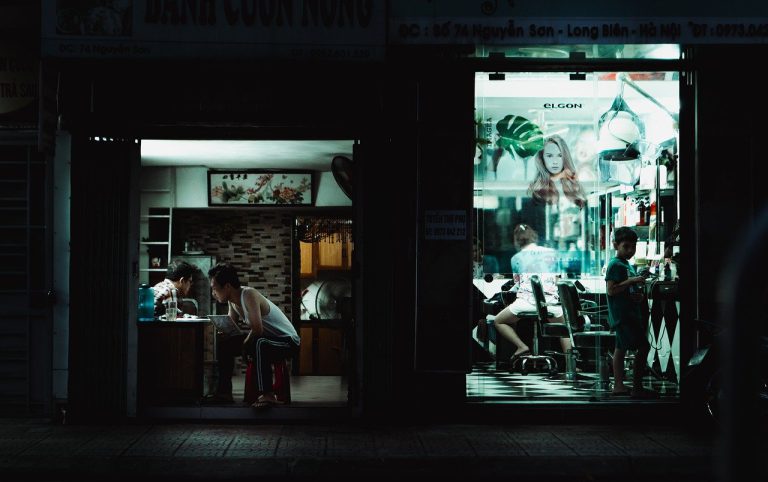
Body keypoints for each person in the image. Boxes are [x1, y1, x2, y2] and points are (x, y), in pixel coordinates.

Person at [204, 262, 300, 408]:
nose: (213, 294)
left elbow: (257, 329)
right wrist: (225, 333)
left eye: (215, 289)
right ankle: (224, 392)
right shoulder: (232, 302)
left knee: (259, 342)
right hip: (266, 340)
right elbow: (233, 328)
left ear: (227, 286)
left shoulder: (249, 294)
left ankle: (268, 395)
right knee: (226, 344)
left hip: (288, 342)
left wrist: (244, 344)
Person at [493, 224, 572, 365]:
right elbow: (559, 279)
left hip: (525, 303)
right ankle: (571, 366)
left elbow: (517, 283)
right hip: (550, 304)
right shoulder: (552, 253)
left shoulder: (516, 258)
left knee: (498, 321)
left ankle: (522, 347)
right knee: (564, 329)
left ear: (517, 240)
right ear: (534, 236)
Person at [605, 227, 658, 398]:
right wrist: (632, 280)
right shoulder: (615, 265)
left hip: (627, 313)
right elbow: (611, 290)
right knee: (643, 347)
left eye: (633, 247)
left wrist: (636, 295)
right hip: (624, 316)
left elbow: (624, 290)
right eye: (626, 246)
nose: (630, 251)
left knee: (620, 350)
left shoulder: (625, 264)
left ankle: (619, 386)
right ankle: (637, 388)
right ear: (616, 245)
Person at [528, 135, 587, 209]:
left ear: (565, 157)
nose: (555, 161)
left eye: (559, 155)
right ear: (542, 158)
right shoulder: (537, 190)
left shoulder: (573, 184)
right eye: (549, 156)